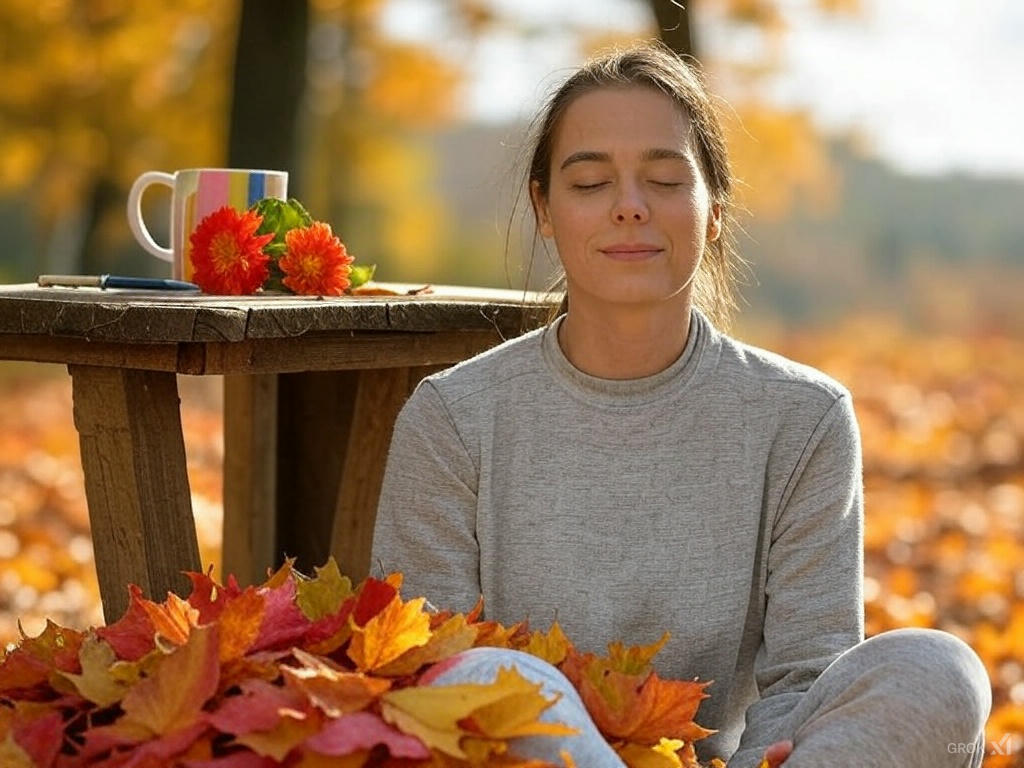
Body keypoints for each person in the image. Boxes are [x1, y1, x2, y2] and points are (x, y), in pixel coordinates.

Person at [371, 41, 992, 768]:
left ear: (716, 210)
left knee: (941, 670)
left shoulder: (803, 417)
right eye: (590, 183)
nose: (630, 208)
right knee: (482, 675)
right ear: (544, 209)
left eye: (665, 179)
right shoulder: (453, 418)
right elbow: (431, 678)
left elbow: (805, 680)